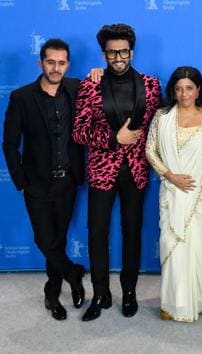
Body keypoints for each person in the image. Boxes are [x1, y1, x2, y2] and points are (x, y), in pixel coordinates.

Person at [72, 23, 161, 321]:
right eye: (112, 53)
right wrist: (114, 139)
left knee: (132, 233)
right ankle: (100, 294)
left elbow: (159, 126)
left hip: (136, 171)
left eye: (123, 51)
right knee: (97, 233)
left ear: (131, 51)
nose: (118, 57)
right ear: (104, 54)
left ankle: (130, 291)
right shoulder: (90, 85)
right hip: (101, 171)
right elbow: (79, 132)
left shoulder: (151, 85)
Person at [2, 38, 85, 321]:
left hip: (68, 182)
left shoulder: (76, 89)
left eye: (61, 63)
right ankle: (74, 274)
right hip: (37, 183)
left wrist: (99, 70)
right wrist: (21, 180)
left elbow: (104, 87)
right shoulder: (22, 98)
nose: (56, 67)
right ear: (41, 63)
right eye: (51, 62)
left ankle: (53, 293)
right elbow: (9, 143)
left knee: (58, 240)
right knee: (44, 239)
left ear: (68, 65)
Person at [145, 66, 202, 322]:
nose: (184, 94)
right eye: (178, 88)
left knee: (199, 248)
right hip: (171, 192)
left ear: (198, 89)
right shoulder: (162, 116)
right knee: (172, 245)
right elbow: (150, 151)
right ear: (172, 91)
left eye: (189, 88)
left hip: (200, 195)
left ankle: (200, 300)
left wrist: (197, 186)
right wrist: (170, 176)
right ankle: (171, 303)